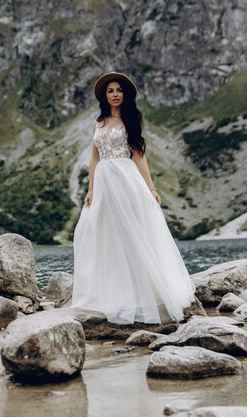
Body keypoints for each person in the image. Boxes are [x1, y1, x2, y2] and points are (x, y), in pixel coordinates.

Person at [72, 72, 196, 325]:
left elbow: (139, 155)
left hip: (126, 180)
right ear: (104, 96)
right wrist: (91, 188)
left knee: (132, 232)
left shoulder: (132, 119)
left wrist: (151, 189)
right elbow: (95, 158)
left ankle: (144, 294)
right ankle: (111, 294)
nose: (115, 94)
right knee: (99, 233)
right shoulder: (98, 123)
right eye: (110, 91)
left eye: (118, 90)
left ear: (124, 94)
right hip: (104, 182)